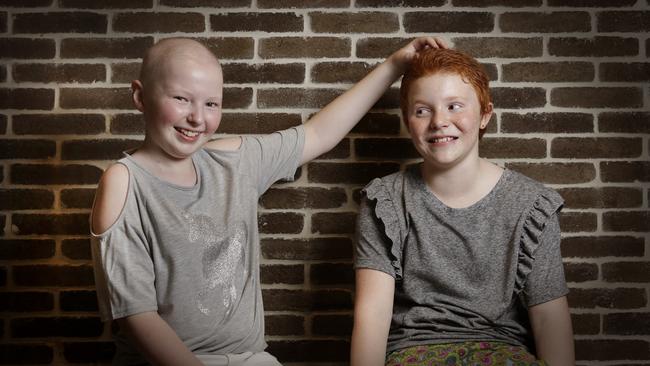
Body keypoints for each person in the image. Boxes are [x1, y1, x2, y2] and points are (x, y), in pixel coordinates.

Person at [90, 36, 447, 366]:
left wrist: (395, 65)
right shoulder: (124, 182)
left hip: (249, 359)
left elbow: (319, 133)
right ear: (140, 96)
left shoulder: (234, 163)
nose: (197, 117)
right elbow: (137, 317)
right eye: (181, 99)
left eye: (211, 103)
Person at [350, 48, 575, 366]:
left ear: (485, 114)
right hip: (414, 352)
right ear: (407, 121)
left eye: (454, 106)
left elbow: (550, 321)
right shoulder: (384, 202)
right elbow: (371, 319)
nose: (439, 122)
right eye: (422, 111)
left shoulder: (532, 206)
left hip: (501, 353)